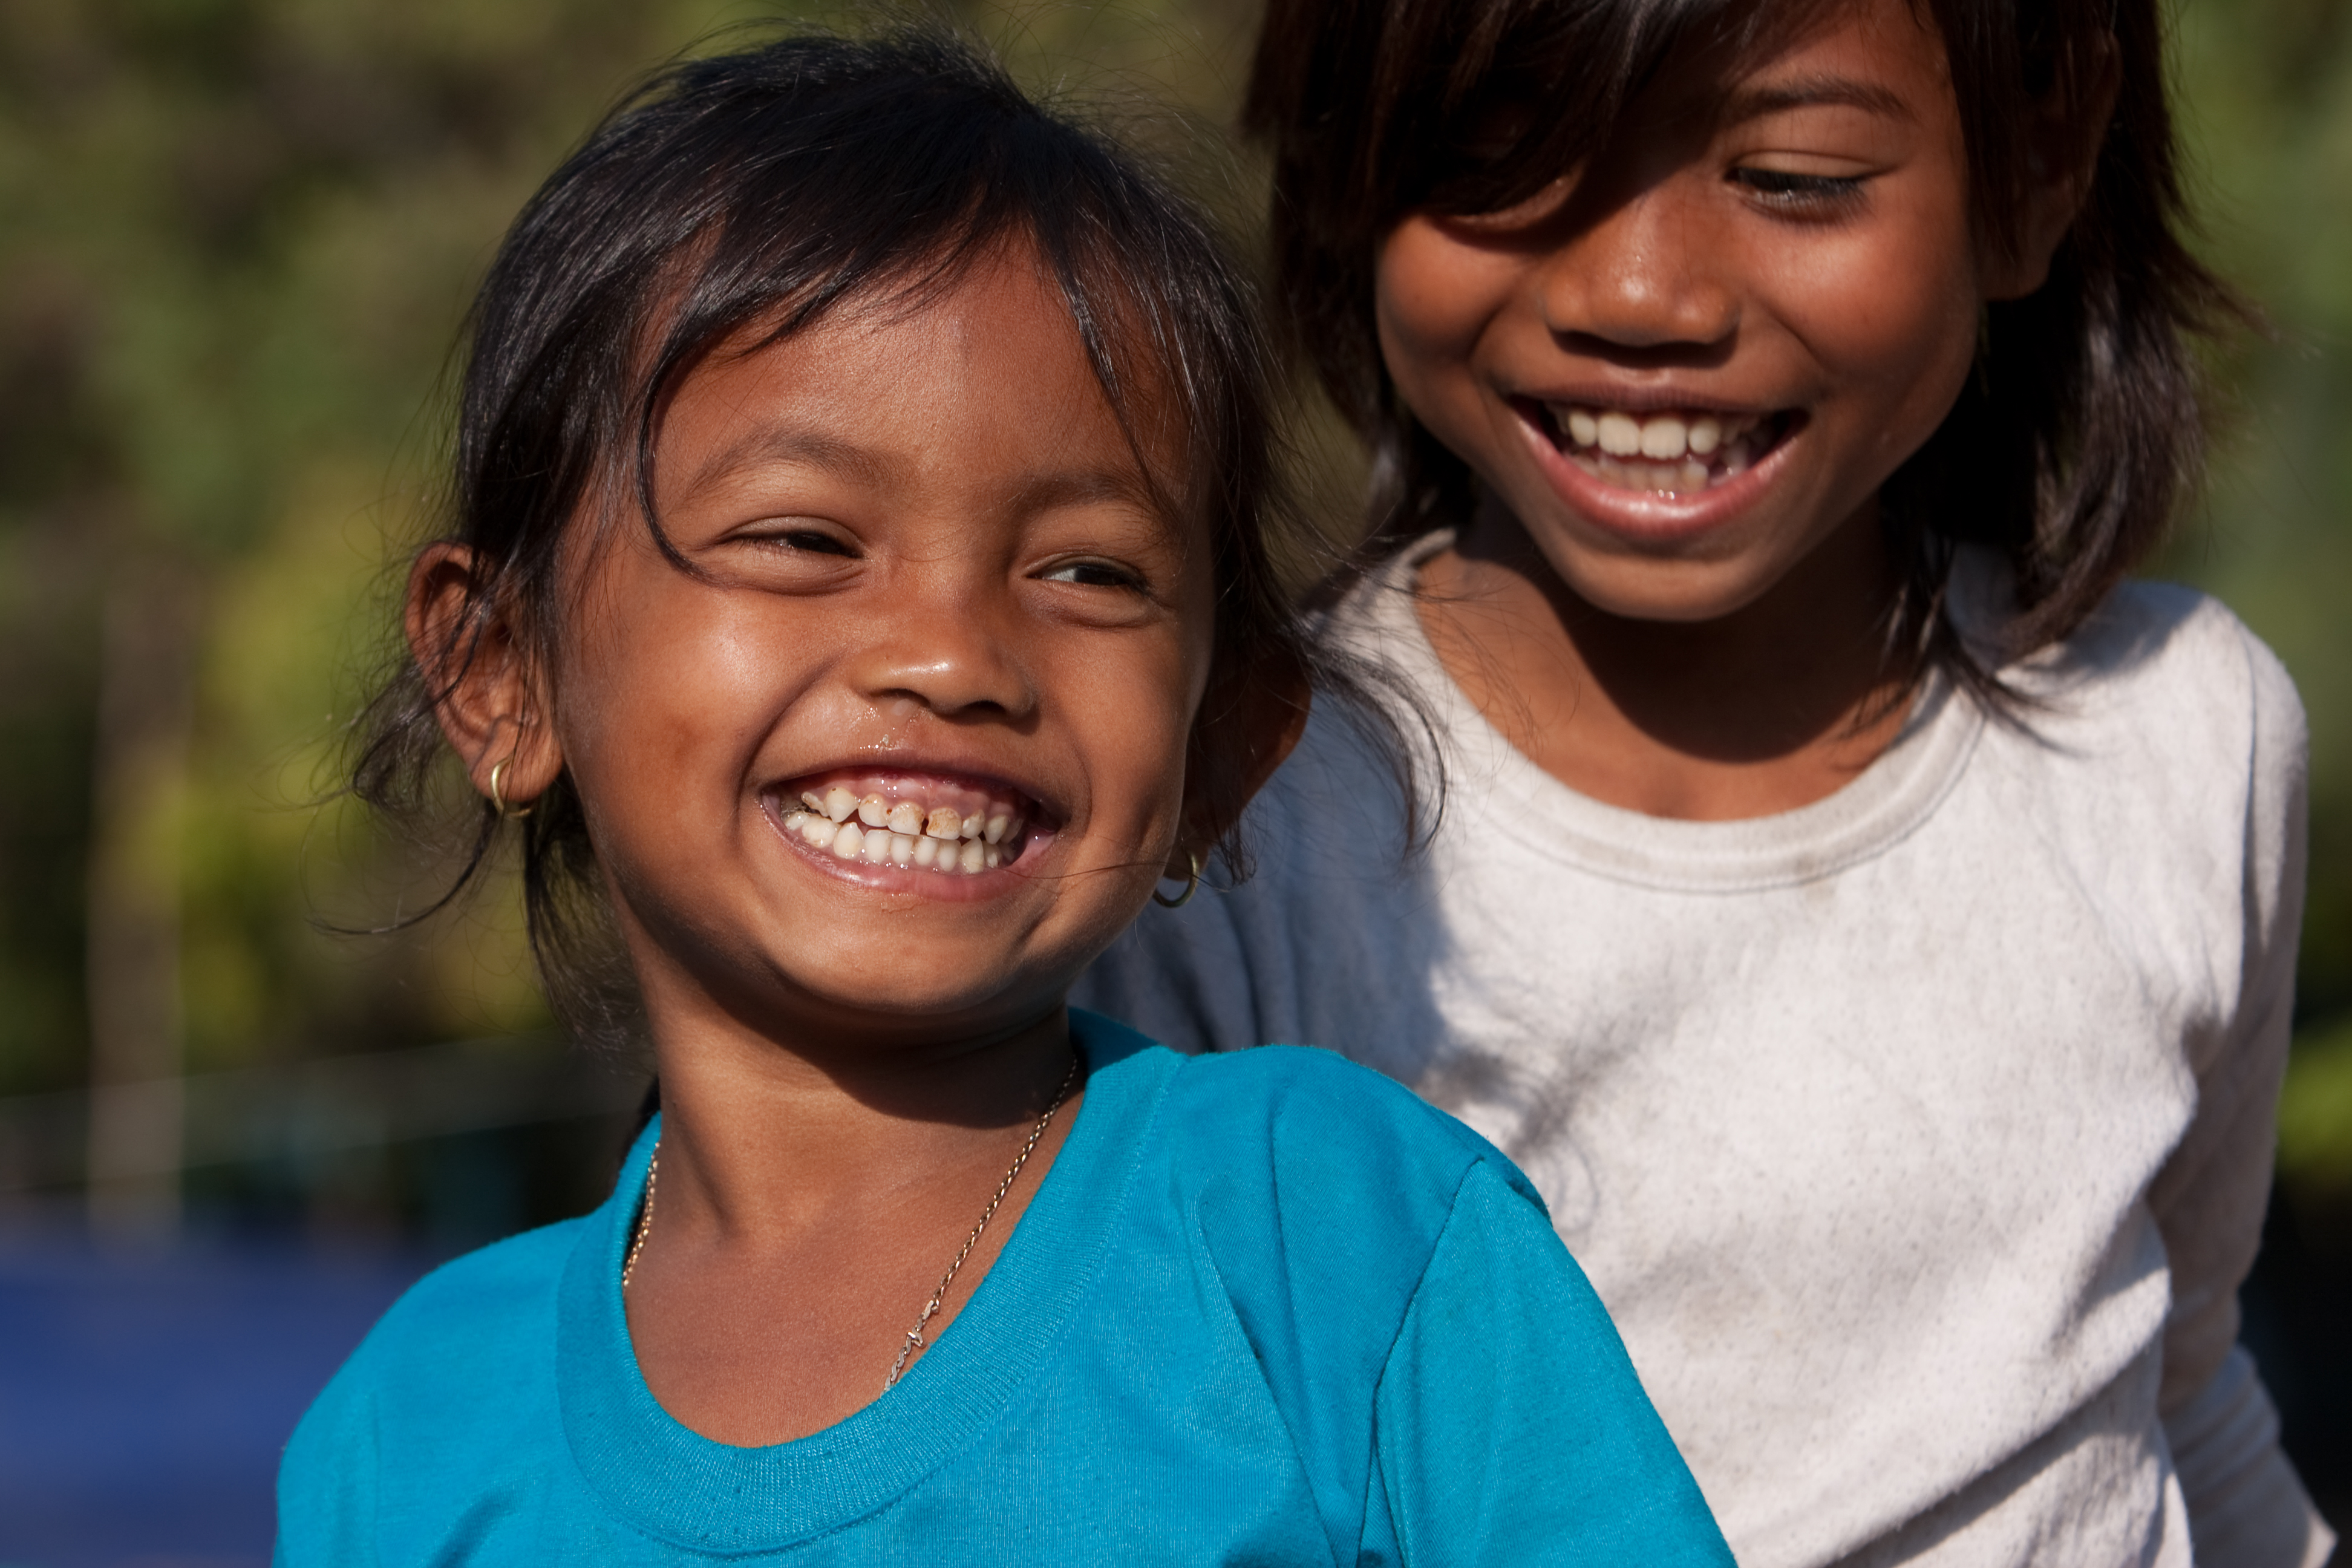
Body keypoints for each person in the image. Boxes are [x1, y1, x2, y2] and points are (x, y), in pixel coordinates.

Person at [272, 30, 1732, 1567]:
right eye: (801, 537)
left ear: (1223, 750)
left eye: (1088, 572)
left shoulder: (1332, 1240)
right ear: (502, 671)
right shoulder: (405, 1434)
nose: (954, 656)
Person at [1077, 1, 2337, 1564]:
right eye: (1507, 154)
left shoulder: (2182, 737)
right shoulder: (1222, 844)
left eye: (1796, 178)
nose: (1640, 292)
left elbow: (2187, 1384)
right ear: (1349, 157)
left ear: (2040, 162)